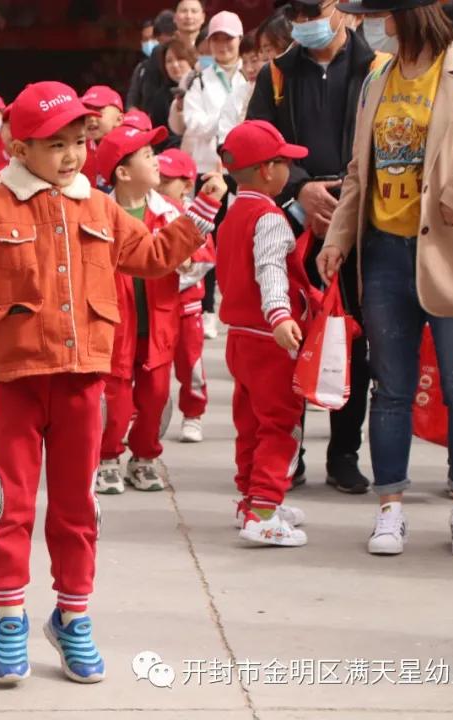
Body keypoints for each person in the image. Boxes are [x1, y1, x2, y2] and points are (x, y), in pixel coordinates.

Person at [0, 80, 217, 685]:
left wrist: (198, 217)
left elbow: (153, 256)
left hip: (83, 384)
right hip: (18, 383)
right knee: (11, 505)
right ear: (20, 150)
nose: (72, 155)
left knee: (77, 508)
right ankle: (9, 616)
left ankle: (73, 616)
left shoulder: (100, 207)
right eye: (56, 145)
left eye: (79, 141)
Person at [318, 0, 453, 558]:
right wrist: (338, 236)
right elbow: (359, 170)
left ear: (406, 14)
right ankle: (389, 506)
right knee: (389, 388)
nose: (373, 22)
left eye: (379, 12)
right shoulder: (377, 78)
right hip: (383, 254)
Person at [245, 0, 384, 495]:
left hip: (361, 217)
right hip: (295, 220)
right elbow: (258, 143)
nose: (306, 23)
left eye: (315, 10)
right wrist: (298, 188)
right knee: (291, 337)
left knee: (354, 339)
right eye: (298, 14)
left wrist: (350, 196)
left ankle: (344, 453)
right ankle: (291, 450)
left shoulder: (377, 68)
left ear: (344, 10)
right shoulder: (276, 75)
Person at [93, 125, 223, 496]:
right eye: (147, 156)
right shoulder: (98, 213)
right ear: (122, 172)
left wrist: (185, 265)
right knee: (115, 401)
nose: (156, 162)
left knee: (155, 397)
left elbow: (202, 255)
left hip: (159, 323)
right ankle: (107, 457)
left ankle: (144, 456)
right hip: (115, 326)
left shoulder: (170, 211)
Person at [216, 120, 312, 548]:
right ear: (267, 169)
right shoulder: (270, 218)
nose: (290, 168)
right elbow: (270, 269)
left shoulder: (233, 214)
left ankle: (251, 497)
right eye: (285, 161)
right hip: (269, 337)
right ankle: (264, 509)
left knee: (249, 421)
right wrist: (280, 315)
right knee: (281, 424)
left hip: (239, 336)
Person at [157, 148, 214, 444]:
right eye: (157, 178)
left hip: (187, 307)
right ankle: (146, 414)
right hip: (156, 306)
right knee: (152, 365)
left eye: (167, 181)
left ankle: (193, 414)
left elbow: (204, 261)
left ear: (187, 185)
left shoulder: (196, 217)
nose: (159, 186)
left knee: (190, 363)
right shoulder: (151, 209)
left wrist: (167, 275)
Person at [181, 11, 249, 175]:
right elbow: (194, 123)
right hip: (207, 168)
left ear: (240, 39)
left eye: (228, 38)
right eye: (216, 39)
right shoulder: (199, 80)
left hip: (247, 166)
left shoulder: (251, 75)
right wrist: (228, 119)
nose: (222, 45)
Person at [126, 9, 177, 111]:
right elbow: (131, 102)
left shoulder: (178, 65)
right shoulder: (141, 69)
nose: (149, 42)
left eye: (153, 37)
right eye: (145, 39)